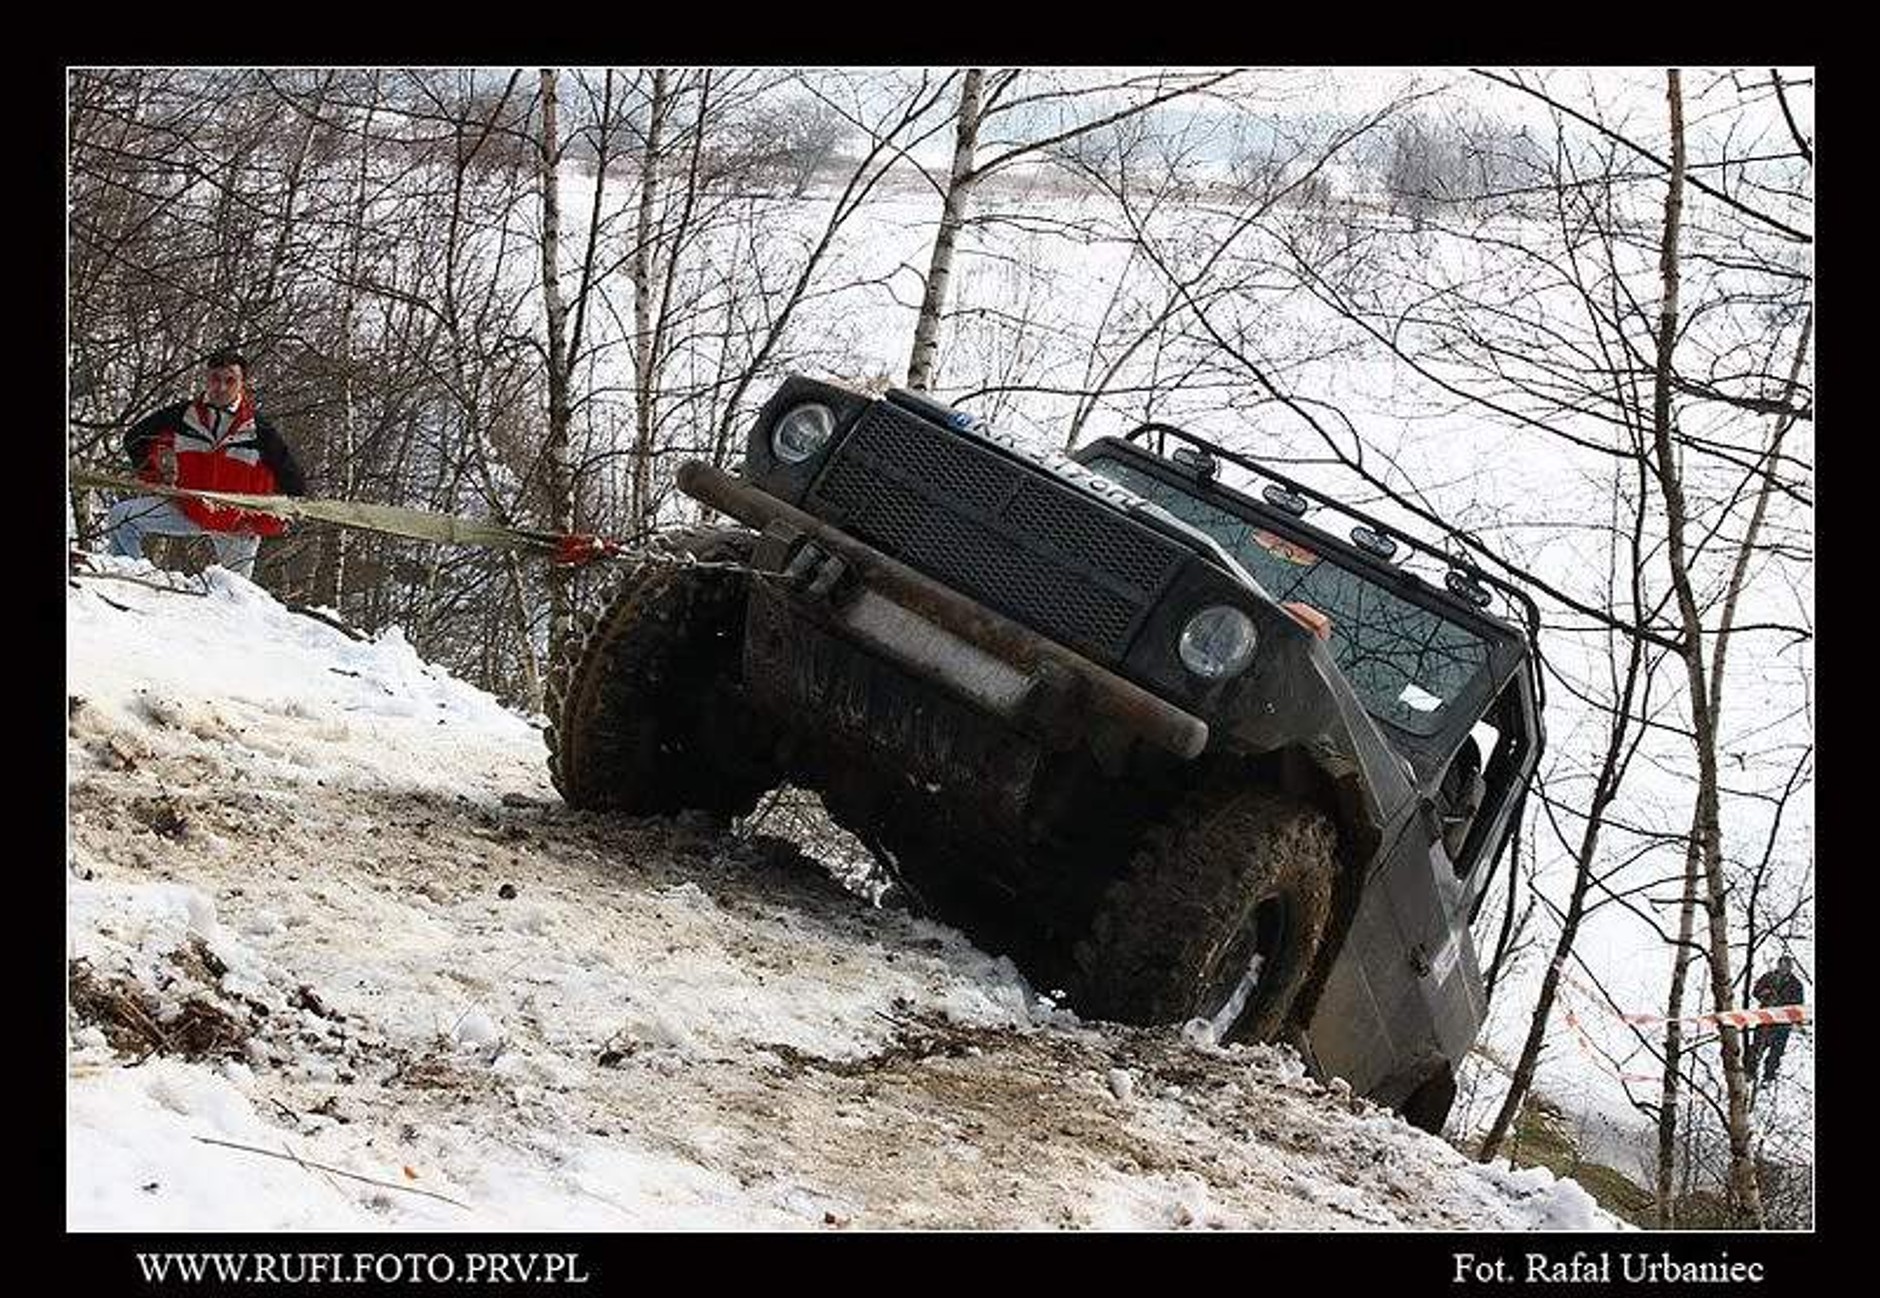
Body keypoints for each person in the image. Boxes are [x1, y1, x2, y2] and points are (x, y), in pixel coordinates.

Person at [105, 349, 306, 579]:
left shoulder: (258, 430)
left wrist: (261, 523)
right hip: (188, 509)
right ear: (206, 378)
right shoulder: (182, 416)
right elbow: (135, 438)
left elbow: (295, 485)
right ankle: (125, 579)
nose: (221, 387)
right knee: (121, 517)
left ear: (242, 383)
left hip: (236, 524)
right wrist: (155, 479)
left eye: (230, 381)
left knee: (236, 598)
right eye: (215, 379)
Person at [1745, 953, 1805, 1086]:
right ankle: (1750, 1072)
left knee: (1776, 1052)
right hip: (1765, 1018)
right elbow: (1755, 991)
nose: (1784, 967)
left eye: (1787, 965)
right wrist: (1764, 993)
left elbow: (1799, 1007)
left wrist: (1797, 1022)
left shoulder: (1796, 984)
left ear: (1790, 967)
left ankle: (1769, 1077)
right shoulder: (1768, 977)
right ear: (1778, 965)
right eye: (1782, 964)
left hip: (1783, 1024)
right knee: (1756, 1047)